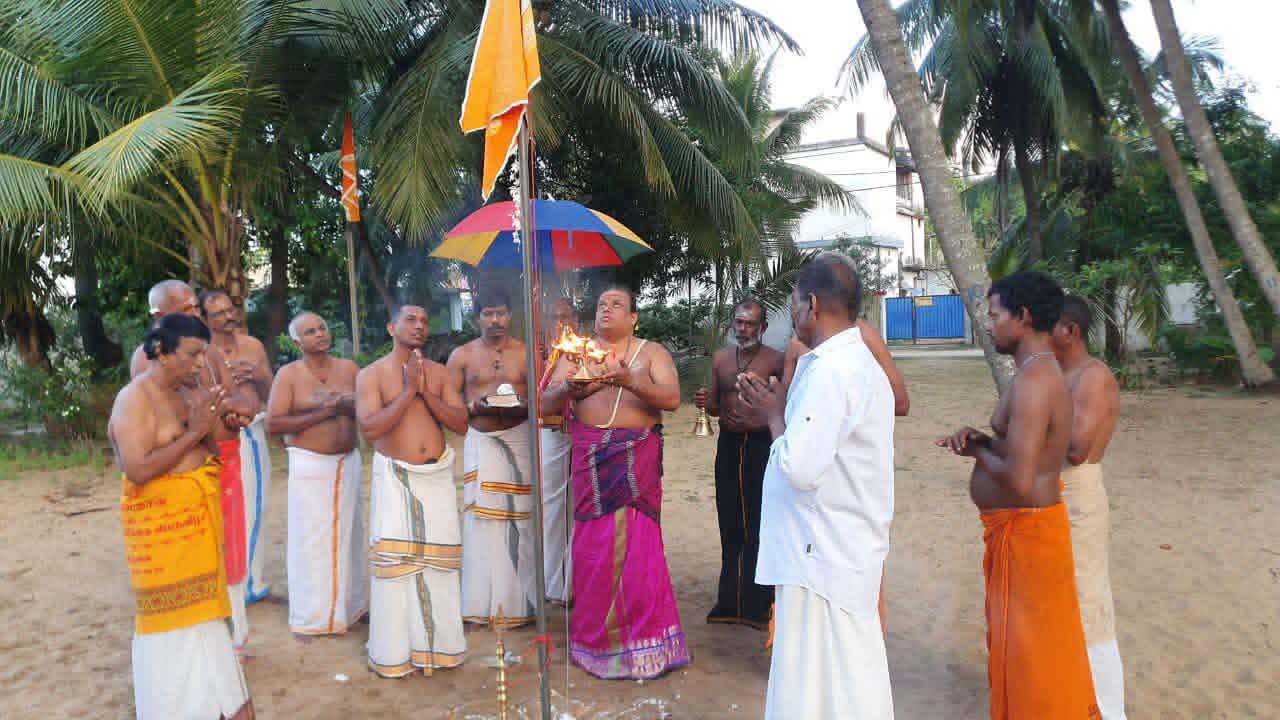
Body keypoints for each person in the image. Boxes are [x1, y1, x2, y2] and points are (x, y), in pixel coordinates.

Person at [736, 253, 895, 719]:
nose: (792, 316)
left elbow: (800, 468)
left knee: (819, 685)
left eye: (793, 306)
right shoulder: (854, 362)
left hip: (821, 555)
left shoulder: (831, 370)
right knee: (846, 678)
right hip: (834, 548)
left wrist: (772, 415)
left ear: (812, 304)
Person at [938, 271, 1099, 720]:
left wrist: (976, 451)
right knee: (1033, 658)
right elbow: (1024, 456)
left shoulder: (1035, 381)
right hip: (1027, 534)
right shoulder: (1037, 373)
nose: (988, 326)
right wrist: (988, 443)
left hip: (1027, 538)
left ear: (1023, 317)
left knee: (1033, 666)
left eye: (994, 316)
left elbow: (1021, 480)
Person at [109, 313, 254, 720]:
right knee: (174, 637)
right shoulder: (134, 398)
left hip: (199, 536)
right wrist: (195, 431)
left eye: (203, 354)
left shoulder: (190, 392)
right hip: (163, 545)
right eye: (192, 355)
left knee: (210, 630)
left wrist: (229, 424)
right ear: (160, 351)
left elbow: (212, 442)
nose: (200, 364)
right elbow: (137, 469)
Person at [542, 286, 690, 680]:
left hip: (637, 459)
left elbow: (672, 399)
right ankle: (596, 645)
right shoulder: (575, 351)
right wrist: (568, 389)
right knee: (593, 552)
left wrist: (630, 381)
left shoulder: (651, 353)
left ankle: (645, 644)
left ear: (633, 318)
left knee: (641, 552)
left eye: (617, 305)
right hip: (590, 461)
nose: (606, 309)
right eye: (602, 304)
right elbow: (545, 404)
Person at [132, 281, 254, 657]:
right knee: (193, 562)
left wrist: (233, 413)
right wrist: (200, 427)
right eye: (186, 310)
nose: (196, 315)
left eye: (195, 308)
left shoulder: (206, 350)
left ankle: (231, 640)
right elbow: (155, 437)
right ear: (159, 318)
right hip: (178, 483)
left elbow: (231, 397)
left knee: (229, 550)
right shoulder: (146, 369)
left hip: (223, 461)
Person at [356, 304, 470, 678]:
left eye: (424, 320)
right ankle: (395, 654)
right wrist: (408, 392)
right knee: (396, 570)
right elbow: (370, 430)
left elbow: (461, 423)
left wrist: (425, 392)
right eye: (410, 319)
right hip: (396, 479)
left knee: (440, 568)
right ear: (391, 328)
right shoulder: (371, 375)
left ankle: (442, 650)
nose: (419, 325)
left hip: (436, 478)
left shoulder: (440, 373)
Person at [265, 312, 366, 637]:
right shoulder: (289, 375)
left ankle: (350, 607)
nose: (320, 334)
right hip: (310, 465)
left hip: (347, 462)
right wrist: (324, 412)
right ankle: (312, 618)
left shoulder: (349, 369)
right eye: (310, 332)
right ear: (297, 343)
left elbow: (369, 408)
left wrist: (347, 405)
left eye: (322, 327)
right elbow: (274, 424)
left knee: (350, 535)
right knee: (311, 541)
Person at [1053, 297, 1127, 720]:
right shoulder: (1058, 374)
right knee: (1060, 602)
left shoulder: (1093, 376)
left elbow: (1077, 448)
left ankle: (1109, 709)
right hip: (1054, 495)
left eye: (1047, 327)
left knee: (1088, 602)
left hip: (1079, 495)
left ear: (1071, 331)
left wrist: (1029, 426)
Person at [692, 298, 784, 630]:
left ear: (763, 326)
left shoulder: (776, 360)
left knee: (759, 521)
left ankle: (760, 605)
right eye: (739, 322)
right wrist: (706, 404)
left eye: (750, 323)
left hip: (761, 445)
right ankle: (730, 602)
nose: (743, 329)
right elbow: (717, 405)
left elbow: (783, 406)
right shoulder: (721, 359)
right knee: (730, 520)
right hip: (729, 445)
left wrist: (762, 419)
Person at [446, 288, 537, 628]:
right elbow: (448, 403)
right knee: (483, 520)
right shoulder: (462, 355)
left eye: (500, 313)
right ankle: (480, 605)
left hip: (519, 438)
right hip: (481, 440)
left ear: (510, 315)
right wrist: (473, 407)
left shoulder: (527, 353)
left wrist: (523, 406)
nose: (495, 320)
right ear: (477, 317)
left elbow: (542, 398)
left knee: (521, 518)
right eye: (488, 313)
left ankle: (521, 605)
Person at [200, 289, 275, 606]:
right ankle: (228, 582)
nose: (228, 317)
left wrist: (257, 375)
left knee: (255, 506)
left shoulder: (253, 346)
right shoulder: (201, 352)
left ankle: (249, 582)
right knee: (225, 510)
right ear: (204, 319)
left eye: (230, 310)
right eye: (218, 314)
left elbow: (271, 392)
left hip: (252, 434)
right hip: (217, 439)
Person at [538, 297, 579, 603]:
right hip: (550, 435)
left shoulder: (586, 352)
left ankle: (573, 585)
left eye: (566, 317)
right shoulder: (542, 356)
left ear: (576, 321)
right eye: (556, 317)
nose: (562, 323)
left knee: (578, 508)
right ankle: (553, 584)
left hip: (579, 435)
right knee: (552, 509)